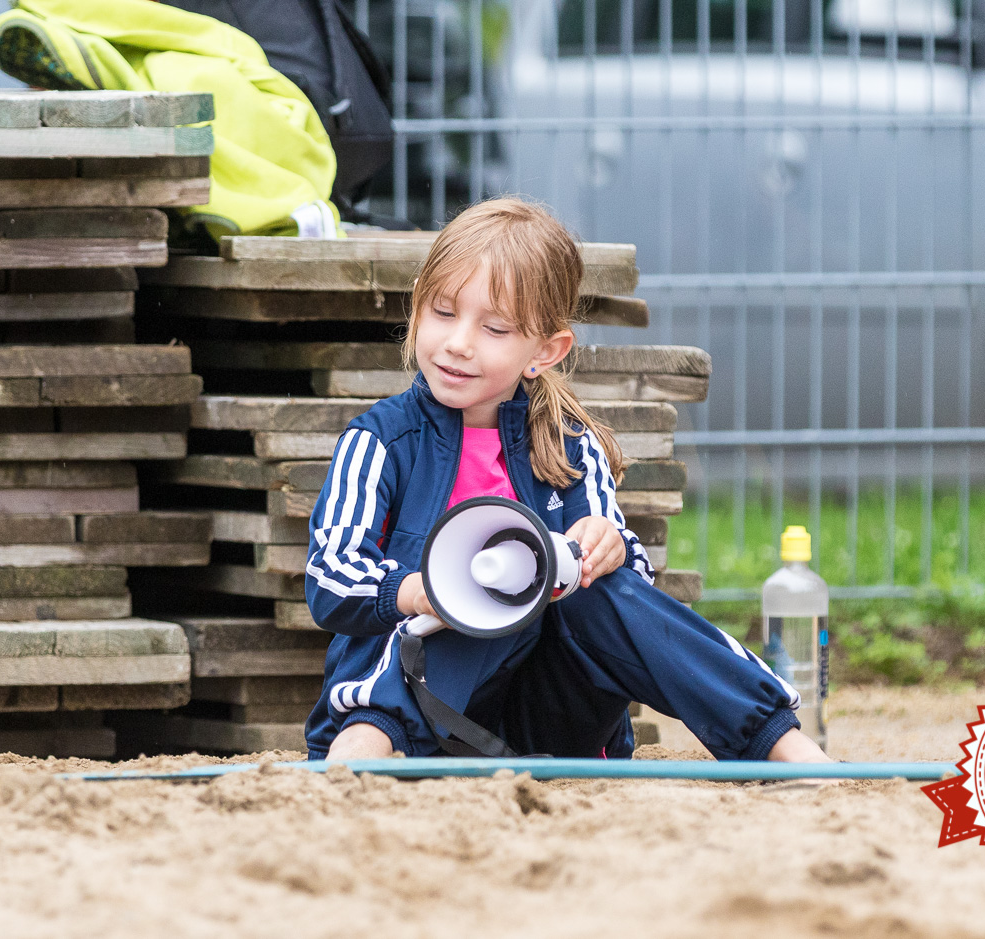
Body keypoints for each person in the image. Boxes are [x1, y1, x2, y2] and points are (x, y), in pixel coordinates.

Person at [303, 197, 833, 763]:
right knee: (470, 600)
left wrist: (611, 548)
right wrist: (416, 592)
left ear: (545, 351)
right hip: (420, 713)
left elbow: (628, 598)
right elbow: (330, 578)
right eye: (443, 312)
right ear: (416, 310)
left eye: (495, 327)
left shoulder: (569, 448)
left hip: (548, 725)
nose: (459, 342)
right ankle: (367, 742)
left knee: (596, 587)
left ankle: (774, 739)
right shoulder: (379, 442)